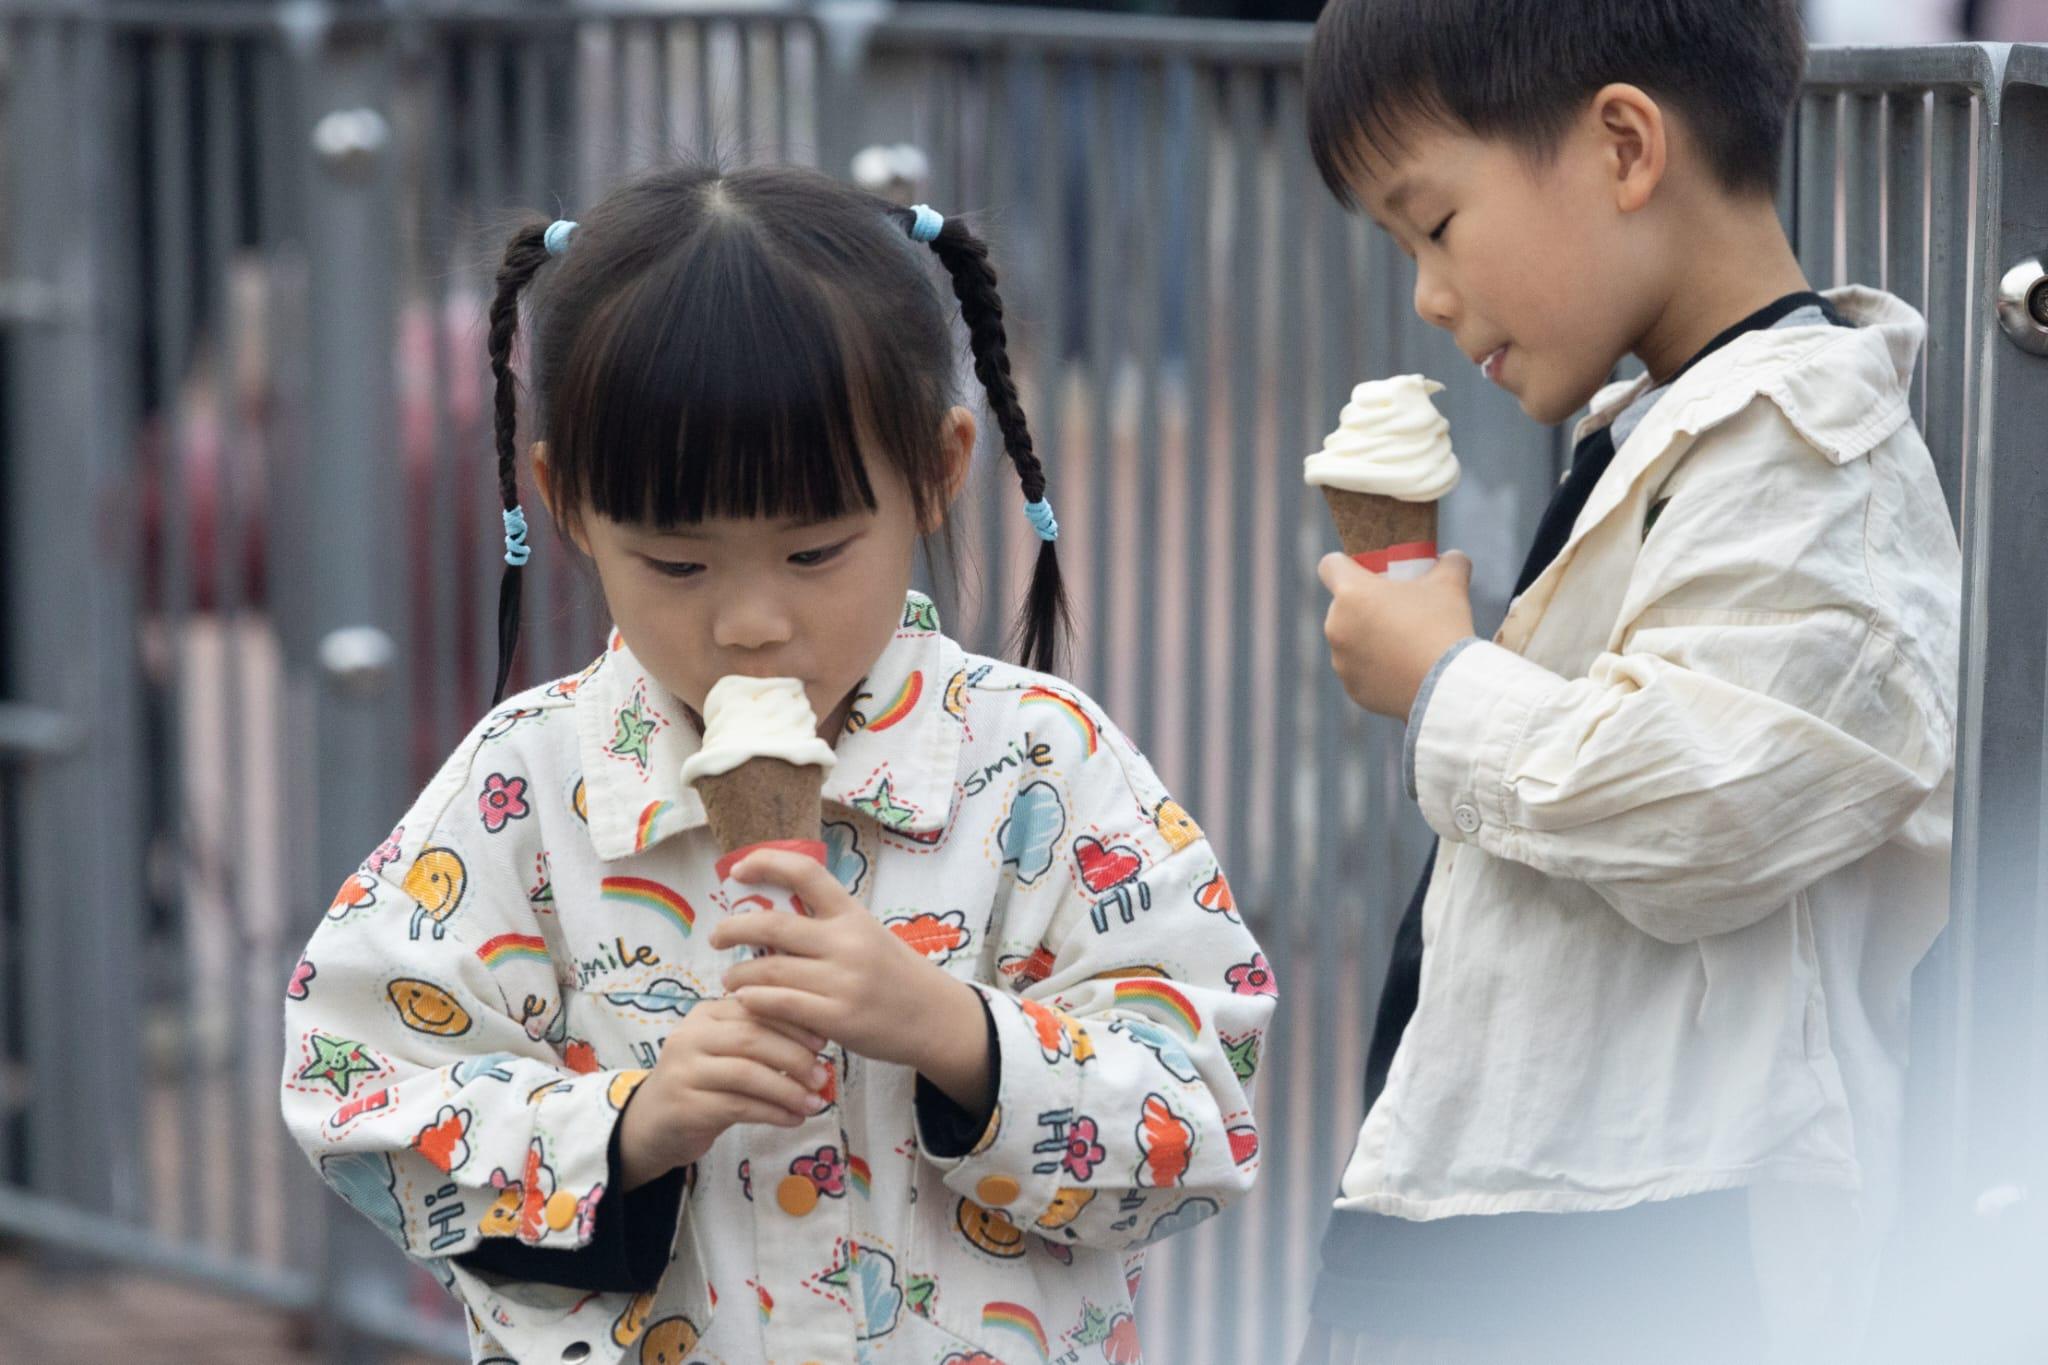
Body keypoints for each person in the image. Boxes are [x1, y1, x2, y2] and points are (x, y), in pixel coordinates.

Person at [279, 162, 1274, 1365]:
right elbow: (356, 1097)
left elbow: (1208, 1116)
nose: (750, 622)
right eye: (679, 566)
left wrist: (954, 1033)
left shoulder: (1037, 767)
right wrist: (630, 1126)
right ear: (569, 505)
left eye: (812, 553)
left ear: (938, 468)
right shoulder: (525, 790)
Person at [1296, 1, 1960, 1360]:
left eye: (1434, 224)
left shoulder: (1811, 456)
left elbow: (1708, 804)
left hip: (1647, 1240)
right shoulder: (1684, 425)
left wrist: (1442, 685)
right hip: (1531, 1200)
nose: (1429, 291)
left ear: (1621, 146)